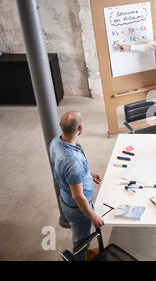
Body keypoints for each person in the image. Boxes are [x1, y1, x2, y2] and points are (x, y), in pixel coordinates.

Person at [49, 111, 104, 261]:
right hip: (78, 209)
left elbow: (67, 172)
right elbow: (78, 196)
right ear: (80, 127)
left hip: (66, 198)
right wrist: (93, 216)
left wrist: (88, 175)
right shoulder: (72, 163)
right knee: (81, 242)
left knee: (80, 236)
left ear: (60, 126)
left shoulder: (55, 141)